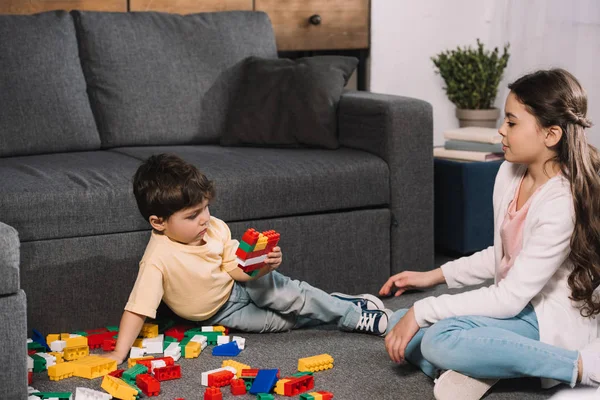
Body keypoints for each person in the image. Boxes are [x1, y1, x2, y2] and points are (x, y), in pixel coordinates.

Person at [379, 69, 600, 400]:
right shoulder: (509, 172)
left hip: (544, 319)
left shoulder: (561, 203)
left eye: (512, 122)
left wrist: (423, 309)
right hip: (517, 309)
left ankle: (577, 366)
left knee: (437, 338)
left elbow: (510, 297)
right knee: (400, 322)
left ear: (551, 135)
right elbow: (502, 254)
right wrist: (432, 277)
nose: (501, 129)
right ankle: (484, 367)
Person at [106, 153, 392, 364]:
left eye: (205, 208)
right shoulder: (157, 259)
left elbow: (236, 268)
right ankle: (341, 304)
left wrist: (263, 266)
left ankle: (353, 315)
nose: (205, 219)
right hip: (223, 312)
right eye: (193, 216)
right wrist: (120, 352)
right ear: (158, 222)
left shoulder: (214, 227)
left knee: (291, 297)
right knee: (282, 322)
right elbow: (137, 308)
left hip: (242, 284)